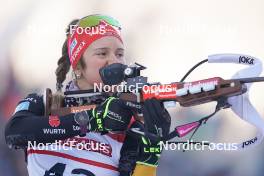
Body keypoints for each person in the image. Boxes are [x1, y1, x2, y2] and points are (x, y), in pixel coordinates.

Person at [5, 14, 171, 176]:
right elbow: (14, 133)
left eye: (119, 54)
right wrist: (93, 119)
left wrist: (152, 151)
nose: (114, 61)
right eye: (102, 53)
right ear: (78, 67)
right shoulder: (44, 104)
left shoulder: (129, 123)